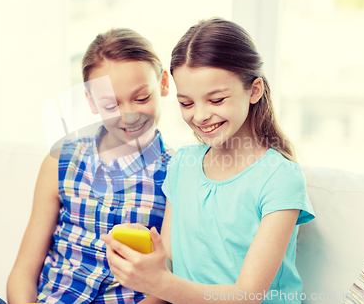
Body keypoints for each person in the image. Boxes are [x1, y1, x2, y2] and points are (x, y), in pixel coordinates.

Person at [0, 28, 173, 304]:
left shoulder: (178, 174)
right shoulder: (61, 161)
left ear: (164, 84)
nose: (128, 115)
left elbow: (166, 285)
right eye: (110, 105)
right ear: (91, 101)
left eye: (141, 98)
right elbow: (24, 272)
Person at [102, 18, 316, 304]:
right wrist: (151, 270)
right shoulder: (183, 165)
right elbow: (169, 272)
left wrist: (162, 283)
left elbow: (247, 295)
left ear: (254, 90)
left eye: (216, 100)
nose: (199, 116)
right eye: (187, 103)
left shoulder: (280, 177)